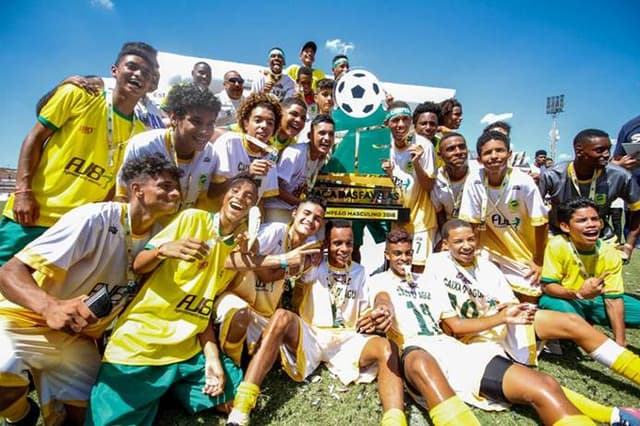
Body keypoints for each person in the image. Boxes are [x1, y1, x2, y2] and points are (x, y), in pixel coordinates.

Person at [0, 154, 181, 426]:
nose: (176, 192)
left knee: (94, 418)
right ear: (137, 190)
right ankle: (21, 416)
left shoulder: (163, 237)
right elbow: (9, 272)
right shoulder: (93, 218)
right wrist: (50, 306)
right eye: (166, 186)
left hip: (78, 338)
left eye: (177, 187)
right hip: (24, 321)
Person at [370, 229, 609, 426]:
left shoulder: (429, 281)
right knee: (421, 361)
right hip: (414, 349)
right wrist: (384, 311)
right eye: (397, 254)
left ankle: (606, 416)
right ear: (387, 255)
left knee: (543, 385)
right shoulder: (377, 280)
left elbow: (455, 325)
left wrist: (503, 317)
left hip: (453, 348)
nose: (404, 259)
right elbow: (382, 300)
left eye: (408, 253)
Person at [87, 175, 260, 425]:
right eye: (235, 190)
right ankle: (159, 388)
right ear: (224, 196)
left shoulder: (236, 251)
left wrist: (212, 359)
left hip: (187, 349)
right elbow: (138, 264)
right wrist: (162, 250)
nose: (240, 198)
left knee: (230, 400)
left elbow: (202, 312)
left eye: (249, 196)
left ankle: (167, 388)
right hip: (143, 341)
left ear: (253, 208)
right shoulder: (194, 219)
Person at [434, 218, 640, 395]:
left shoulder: (487, 267)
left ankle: (635, 371)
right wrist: (502, 317)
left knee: (572, 322)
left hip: (504, 322)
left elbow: (508, 303)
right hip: (472, 337)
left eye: (470, 239)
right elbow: (453, 325)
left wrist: (513, 310)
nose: (467, 245)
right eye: (458, 241)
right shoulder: (434, 266)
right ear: (445, 244)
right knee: (532, 383)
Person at [0, 42, 157, 265]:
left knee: (39, 290)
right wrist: (23, 191)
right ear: (114, 70)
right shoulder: (78, 94)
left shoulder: (141, 133)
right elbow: (34, 138)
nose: (138, 75)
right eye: (131, 67)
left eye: (146, 74)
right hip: (34, 213)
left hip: (75, 227)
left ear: (151, 83)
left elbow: (117, 181)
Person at [221, 197, 326, 426]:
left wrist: (300, 264)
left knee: (276, 328)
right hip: (235, 298)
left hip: (263, 314)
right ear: (294, 213)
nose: (310, 220)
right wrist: (286, 261)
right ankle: (232, 381)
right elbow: (242, 261)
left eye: (317, 218)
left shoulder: (308, 250)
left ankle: (242, 382)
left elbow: (277, 277)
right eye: (306, 214)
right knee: (238, 316)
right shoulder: (276, 231)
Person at [295, 220, 407, 425]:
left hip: (347, 339)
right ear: (327, 243)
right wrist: (317, 250)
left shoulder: (360, 272)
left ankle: (395, 420)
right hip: (313, 334)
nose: (344, 249)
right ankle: (242, 407)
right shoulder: (315, 264)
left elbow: (369, 307)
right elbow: (298, 275)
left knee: (387, 347)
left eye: (349, 243)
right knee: (282, 319)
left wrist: (372, 319)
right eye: (337, 243)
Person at [459, 130, 548, 302]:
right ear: (479, 159)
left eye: (499, 150)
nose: (494, 156)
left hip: (523, 253)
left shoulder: (523, 181)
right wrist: (471, 254)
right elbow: (472, 223)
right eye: (487, 153)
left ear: (509, 154)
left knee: (529, 299)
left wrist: (538, 259)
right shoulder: (474, 180)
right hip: (487, 250)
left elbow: (541, 222)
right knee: (484, 295)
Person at [540, 198, 640, 346]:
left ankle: (586, 325)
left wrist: (620, 341)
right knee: (567, 312)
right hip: (563, 298)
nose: (591, 224)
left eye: (595, 219)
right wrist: (578, 294)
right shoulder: (557, 245)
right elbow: (547, 287)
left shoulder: (609, 253)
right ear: (565, 226)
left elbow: (613, 298)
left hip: (595, 300)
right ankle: (580, 332)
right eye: (582, 220)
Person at [115, 82, 220, 209]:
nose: (205, 131)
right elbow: (123, 197)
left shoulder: (211, 154)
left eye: (210, 123)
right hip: (143, 227)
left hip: (183, 227)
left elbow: (201, 202)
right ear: (174, 118)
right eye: (196, 122)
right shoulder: (144, 146)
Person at [539, 129, 640, 260]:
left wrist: (629, 245)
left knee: (607, 274)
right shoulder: (552, 175)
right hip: (558, 232)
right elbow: (534, 211)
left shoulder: (620, 176)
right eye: (599, 150)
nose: (606, 155)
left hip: (599, 234)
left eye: (608, 149)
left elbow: (637, 210)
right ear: (579, 150)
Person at [381, 101, 436, 273]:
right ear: (387, 123)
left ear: (411, 121)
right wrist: (387, 176)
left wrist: (417, 164)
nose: (401, 125)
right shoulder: (382, 146)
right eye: (395, 120)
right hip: (397, 219)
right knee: (397, 270)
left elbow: (429, 186)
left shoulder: (424, 145)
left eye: (405, 119)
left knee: (419, 270)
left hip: (421, 221)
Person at [207, 93, 282, 207]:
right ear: (246, 123)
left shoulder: (271, 155)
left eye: (270, 123)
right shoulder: (229, 142)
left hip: (240, 221)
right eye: (258, 120)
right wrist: (247, 173)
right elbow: (212, 192)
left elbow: (260, 200)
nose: (264, 126)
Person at [264, 114, 335, 223]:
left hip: (295, 211)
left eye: (331, 134)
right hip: (275, 210)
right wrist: (301, 203)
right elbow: (273, 187)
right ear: (309, 135)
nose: (327, 138)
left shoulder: (319, 159)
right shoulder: (295, 153)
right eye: (322, 133)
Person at [431, 132, 470, 229]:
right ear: (440, 155)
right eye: (451, 149)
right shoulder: (436, 179)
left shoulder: (479, 173)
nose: (458, 152)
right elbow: (440, 214)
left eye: (462, 147)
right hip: (451, 228)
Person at [412, 101, 442, 167]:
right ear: (415, 125)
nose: (428, 128)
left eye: (432, 124)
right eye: (423, 124)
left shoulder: (443, 147)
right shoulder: (403, 143)